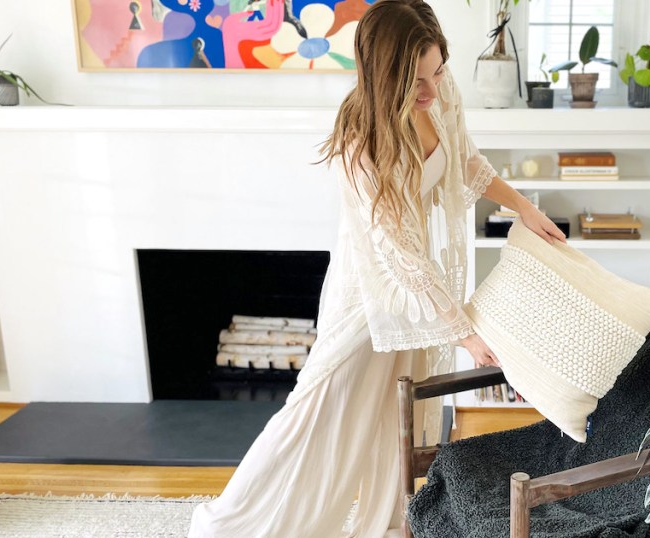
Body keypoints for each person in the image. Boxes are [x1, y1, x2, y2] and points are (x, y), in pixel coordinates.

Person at [188, 1, 565, 536]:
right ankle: (233, 525)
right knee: (319, 415)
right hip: (370, 293)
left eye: (437, 71)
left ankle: (395, 523)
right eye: (416, 83)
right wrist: (463, 330)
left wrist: (523, 205)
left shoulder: (438, 88)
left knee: (399, 414)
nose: (432, 91)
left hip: (419, 293)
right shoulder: (357, 144)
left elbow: (465, 162)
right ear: (384, 76)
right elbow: (398, 253)